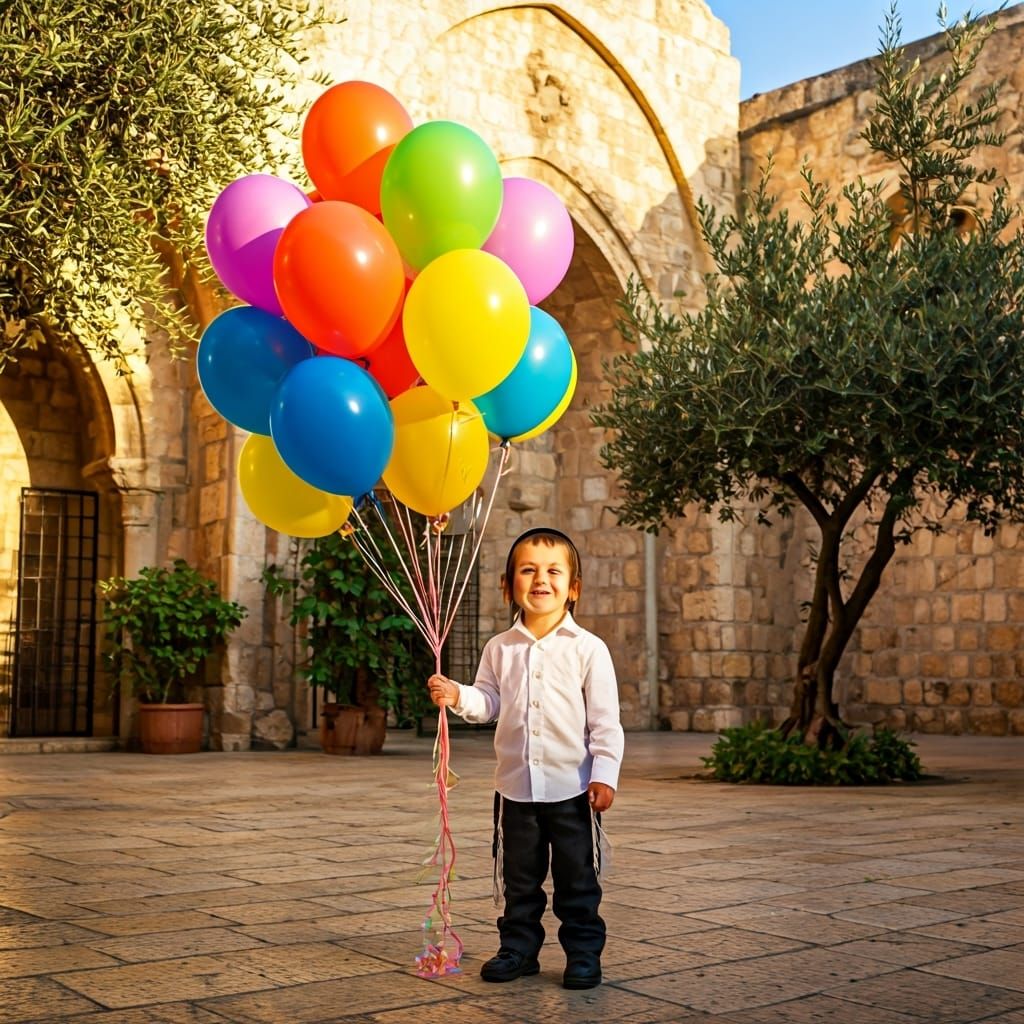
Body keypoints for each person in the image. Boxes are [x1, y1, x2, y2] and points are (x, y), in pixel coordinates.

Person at [427, 527, 624, 990]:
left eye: (554, 571)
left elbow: (605, 722)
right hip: (515, 789)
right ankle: (518, 948)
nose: (541, 579)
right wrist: (458, 695)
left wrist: (604, 775)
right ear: (508, 584)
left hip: (572, 790)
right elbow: (489, 702)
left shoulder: (588, 649)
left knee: (577, 879)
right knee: (519, 880)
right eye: (528, 569)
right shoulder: (500, 648)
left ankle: (582, 953)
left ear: (572, 587)